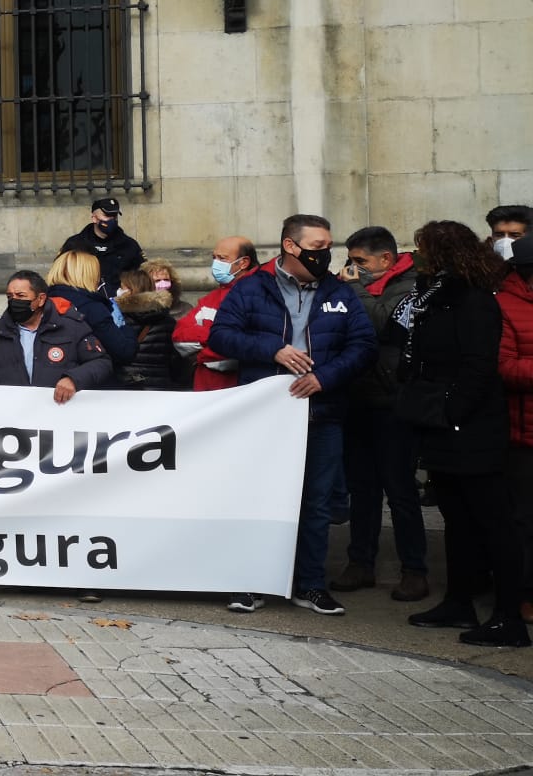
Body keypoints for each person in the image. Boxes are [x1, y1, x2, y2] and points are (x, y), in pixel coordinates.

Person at [210, 213, 376, 616]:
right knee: (260, 500)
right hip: (264, 417)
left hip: (321, 413)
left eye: (327, 246)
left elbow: (363, 345)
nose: (326, 254)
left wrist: (324, 378)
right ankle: (253, 583)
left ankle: (310, 585)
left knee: (317, 504)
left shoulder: (340, 292)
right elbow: (220, 335)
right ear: (290, 245)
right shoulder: (251, 289)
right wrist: (272, 349)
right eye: (317, 247)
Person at [399, 221, 526, 647]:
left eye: (422, 249)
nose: (417, 256)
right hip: (444, 423)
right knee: (457, 520)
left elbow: (477, 364)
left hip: (469, 426)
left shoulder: (472, 299)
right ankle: (459, 601)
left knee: (493, 522)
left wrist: (452, 412)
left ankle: (508, 617)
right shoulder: (437, 296)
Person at [334, 226, 429, 602]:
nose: (353, 269)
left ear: (386, 259)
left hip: (393, 401)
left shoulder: (413, 286)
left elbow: (381, 324)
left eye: (361, 262)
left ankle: (414, 569)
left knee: (400, 488)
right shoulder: (357, 285)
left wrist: (352, 289)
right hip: (357, 396)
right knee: (363, 489)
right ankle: (361, 562)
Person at [0, 270, 113, 401]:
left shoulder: (70, 326)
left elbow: (101, 363)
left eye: (21, 296)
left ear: (41, 299)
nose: (14, 301)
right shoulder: (2, 331)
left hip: (59, 414)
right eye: (10, 296)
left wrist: (73, 379)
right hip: (15, 416)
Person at [495, 235, 533, 628]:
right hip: (524, 435)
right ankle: (524, 594)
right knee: (525, 521)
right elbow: (503, 367)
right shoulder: (504, 305)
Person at [172, 237, 259, 392]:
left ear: (243, 262)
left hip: (244, 388)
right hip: (207, 388)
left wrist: (202, 353)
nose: (215, 263)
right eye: (214, 257)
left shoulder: (260, 293)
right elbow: (180, 338)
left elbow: (253, 347)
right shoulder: (210, 299)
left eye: (222, 258)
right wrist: (220, 339)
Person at [44, 252, 137, 370]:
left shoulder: (44, 302)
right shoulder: (92, 308)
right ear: (89, 275)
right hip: (90, 379)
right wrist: (124, 327)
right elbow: (124, 351)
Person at [60, 197, 145, 296]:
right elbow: (61, 275)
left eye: (115, 216)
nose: (112, 220)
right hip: (83, 300)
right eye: (107, 215)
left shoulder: (129, 245)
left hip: (121, 302)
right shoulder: (75, 244)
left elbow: (142, 277)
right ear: (94, 218)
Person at [115, 269, 179, 390]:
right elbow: (175, 359)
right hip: (160, 386)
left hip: (127, 385)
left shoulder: (118, 319)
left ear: (130, 290)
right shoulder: (167, 320)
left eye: (122, 287)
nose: (119, 291)